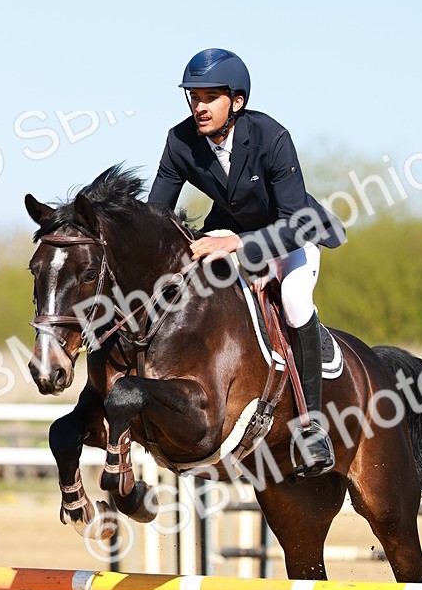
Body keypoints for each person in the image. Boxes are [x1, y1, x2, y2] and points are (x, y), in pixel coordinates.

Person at [147, 47, 346, 479]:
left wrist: (236, 243)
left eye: (210, 97)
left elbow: (295, 221)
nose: (199, 107)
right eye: (193, 98)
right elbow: (156, 215)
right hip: (227, 233)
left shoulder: (272, 137)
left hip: (290, 235)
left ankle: (312, 426)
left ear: (236, 101)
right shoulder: (180, 141)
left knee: (293, 300)